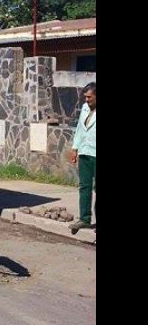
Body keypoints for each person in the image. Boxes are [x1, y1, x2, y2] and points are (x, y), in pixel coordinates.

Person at [69, 82, 96, 232]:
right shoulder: (85, 108)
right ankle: (84, 218)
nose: (86, 100)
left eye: (89, 97)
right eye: (85, 97)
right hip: (85, 152)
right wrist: (75, 148)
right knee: (84, 187)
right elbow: (80, 128)